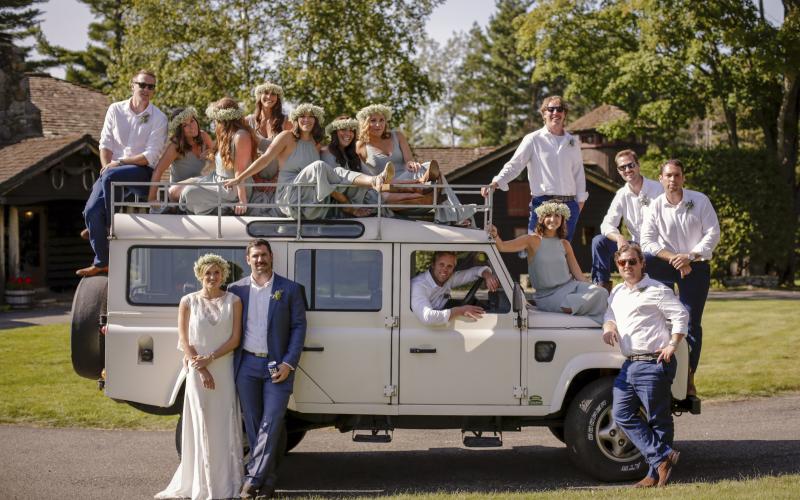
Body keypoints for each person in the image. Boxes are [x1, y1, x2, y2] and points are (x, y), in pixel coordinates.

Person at [155, 253, 243, 499]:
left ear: (223, 275)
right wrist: (201, 367)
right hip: (196, 371)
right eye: (208, 273)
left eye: (217, 273)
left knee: (222, 421)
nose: (212, 277)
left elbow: (235, 339)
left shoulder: (234, 301)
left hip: (223, 368)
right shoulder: (188, 301)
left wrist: (211, 358)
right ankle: (199, 483)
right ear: (200, 275)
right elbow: (184, 339)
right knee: (201, 420)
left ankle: (225, 482)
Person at [602, 244, 688, 488]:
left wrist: (673, 343)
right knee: (621, 413)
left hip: (654, 362)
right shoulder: (617, 292)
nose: (627, 266)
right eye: (622, 263)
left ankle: (654, 475)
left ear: (642, 263)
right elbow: (610, 315)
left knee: (658, 420)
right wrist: (609, 328)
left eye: (632, 262)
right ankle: (662, 456)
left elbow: (681, 315)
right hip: (629, 365)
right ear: (617, 265)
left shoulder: (657, 290)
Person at [227, 239, 307, 499]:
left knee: (271, 423)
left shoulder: (291, 289)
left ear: (271, 257)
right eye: (255, 256)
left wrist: (288, 363)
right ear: (247, 259)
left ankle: (251, 480)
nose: (259, 260)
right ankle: (268, 482)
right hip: (247, 365)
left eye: (263, 255)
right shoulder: (235, 290)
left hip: (278, 366)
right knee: (253, 425)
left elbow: (298, 328)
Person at [224, 103, 394, 220]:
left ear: (316, 120)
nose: (307, 120)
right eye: (302, 117)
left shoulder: (315, 143)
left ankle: (375, 181)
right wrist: (240, 178)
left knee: (337, 171)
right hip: (290, 195)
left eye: (311, 117)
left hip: (312, 197)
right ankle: (348, 206)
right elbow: (265, 159)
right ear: (296, 120)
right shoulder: (287, 137)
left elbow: (330, 173)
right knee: (320, 166)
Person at [640, 159, 720, 396]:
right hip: (666, 263)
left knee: (690, 321)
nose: (673, 180)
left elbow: (712, 234)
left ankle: (689, 378)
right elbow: (647, 241)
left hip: (695, 264)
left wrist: (689, 256)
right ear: (661, 178)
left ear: (683, 178)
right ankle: (655, 374)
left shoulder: (700, 200)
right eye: (668, 176)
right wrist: (675, 258)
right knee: (658, 318)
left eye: (677, 175)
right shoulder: (654, 206)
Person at [78, 69, 167, 277]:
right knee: (90, 211)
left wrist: (117, 163)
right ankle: (101, 261)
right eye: (142, 85)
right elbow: (105, 143)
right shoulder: (115, 109)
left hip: (142, 171)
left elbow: (150, 156)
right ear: (132, 85)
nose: (145, 89)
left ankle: (109, 225)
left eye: (150, 87)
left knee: (110, 176)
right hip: (111, 172)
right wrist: (106, 166)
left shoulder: (159, 117)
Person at [481, 95, 587, 241]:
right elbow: (515, 165)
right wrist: (496, 182)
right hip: (542, 203)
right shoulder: (533, 139)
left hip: (569, 207)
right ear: (544, 113)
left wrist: (579, 204)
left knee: (562, 253)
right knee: (537, 251)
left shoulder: (573, 142)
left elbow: (578, 174)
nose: (556, 112)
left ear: (565, 114)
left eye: (560, 109)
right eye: (551, 109)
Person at [488, 201, 608, 324]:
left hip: (570, 286)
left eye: (557, 216)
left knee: (602, 293)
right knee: (590, 300)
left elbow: (579, 275)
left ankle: (597, 319)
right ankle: (579, 312)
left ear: (562, 219)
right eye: (549, 215)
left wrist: (591, 287)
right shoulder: (531, 240)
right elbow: (502, 247)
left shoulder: (565, 244)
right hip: (548, 296)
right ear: (542, 218)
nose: (553, 219)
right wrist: (495, 235)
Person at [356, 103, 474, 224]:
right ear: (365, 123)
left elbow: (409, 160)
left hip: (408, 176)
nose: (378, 124)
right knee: (432, 174)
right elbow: (362, 175)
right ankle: (454, 212)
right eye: (373, 120)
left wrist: (411, 163)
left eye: (382, 120)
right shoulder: (361, 146)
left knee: (427, 166)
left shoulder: (397, 136)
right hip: (388, 185)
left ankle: (424, 183)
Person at [591, 149, 664, 292]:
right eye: (622, 167)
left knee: (661, 293)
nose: (627, 170)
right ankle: (602, 289)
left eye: (630, 165)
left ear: (638, 165)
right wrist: (619, 237)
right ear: (619, 171)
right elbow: (606, 224)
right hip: (637, 245)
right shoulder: (621, 194)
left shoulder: (658, 189)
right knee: (599, 242)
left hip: (659, 245)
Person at [180, 98, 255, 215]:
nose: (214, 120)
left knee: (189, 192)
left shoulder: (241, 136)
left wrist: (242, 200)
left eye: (216, 116)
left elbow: (240, 171)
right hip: (217, 179)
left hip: (232, 187)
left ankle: (226, 209)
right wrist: (210, 154)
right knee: (178, 188)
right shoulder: (225, 133)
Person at [147, 107, 213, 210]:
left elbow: (216, 157)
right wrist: (152, 198)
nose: (191, 127)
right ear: (179, 130)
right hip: (178, 192)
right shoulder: (175, 147)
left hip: (198, 189)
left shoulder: (204, 136)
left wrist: (211, 154)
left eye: (192, 121)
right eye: (185, 125)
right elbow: (158, 171)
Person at [410, 251, 500, 325]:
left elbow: (474, 272)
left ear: (453, 268)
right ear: (433, 265)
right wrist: (460, 310)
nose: (445, 270)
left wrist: (487, 275)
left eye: (449, 266)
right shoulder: (419, 285)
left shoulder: (449, 278)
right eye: (441, 264)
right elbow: (428, 317)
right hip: (425, 330)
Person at [245, 82, 293, 214]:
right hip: (253, 180)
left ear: (278, 98)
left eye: (273, 94)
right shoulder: (247, 122)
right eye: (266, 93)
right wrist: (255, 177)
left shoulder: (286, 122)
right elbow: (245, 152)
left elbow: (290, 154)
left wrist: (277, 179)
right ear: (259, 96)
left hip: (279, 180)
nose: (269, 97)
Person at [321, 115, 378, 217]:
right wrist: (350, 208)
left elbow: (372, 179)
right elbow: (331, 187)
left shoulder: (352, 155)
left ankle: (409, 186)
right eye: (343, 129)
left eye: (352, 130)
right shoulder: (326, 152)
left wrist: (403, 185)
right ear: (334, 132)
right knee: (386, 197)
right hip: (341, 206)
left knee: (389, 194)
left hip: (363, 199)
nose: (348, 133)